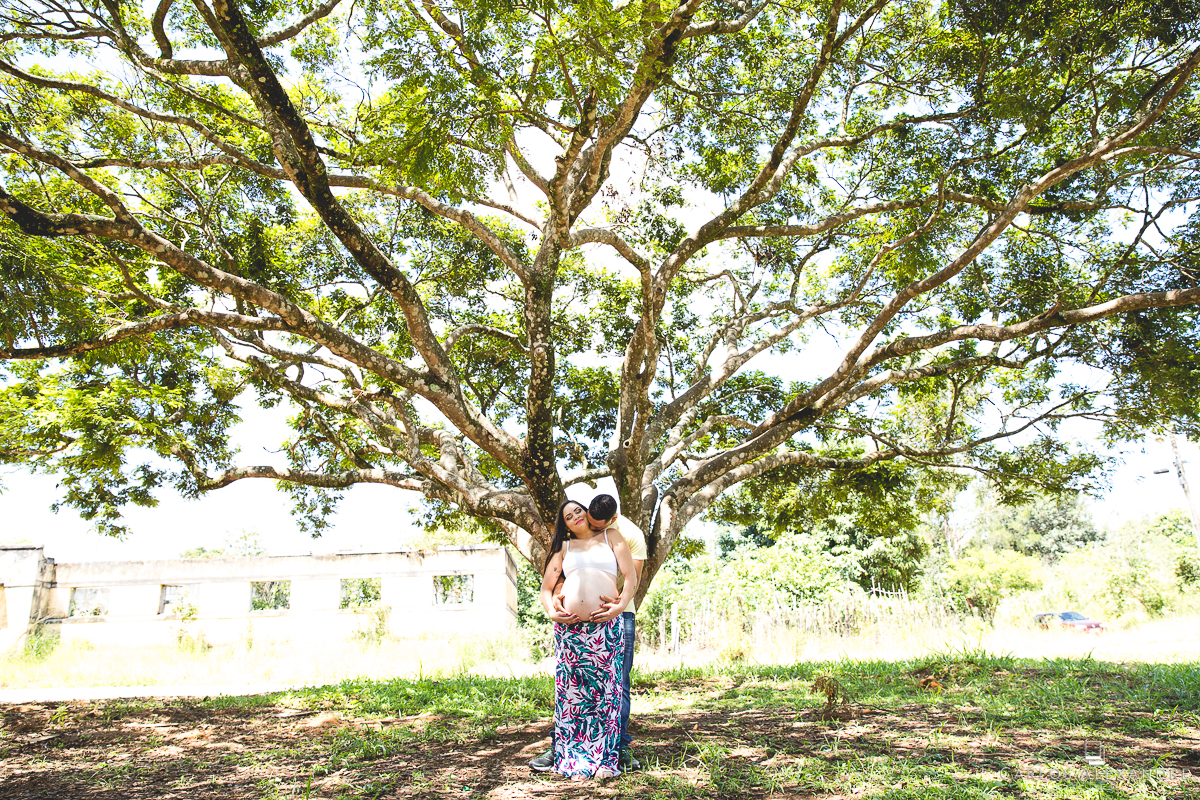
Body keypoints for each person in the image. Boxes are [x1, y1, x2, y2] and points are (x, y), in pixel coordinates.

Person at [530, 494, 648, 773]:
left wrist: (619, 607)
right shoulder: (564, 546)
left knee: (609, 690)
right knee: (572, 691)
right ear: (565, 525)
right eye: (568, 516)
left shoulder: (612, 536)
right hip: (571, 631)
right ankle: (566, 751)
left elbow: (631, 576)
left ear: (587, 511)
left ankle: (611, 753)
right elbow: (546, 588)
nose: (575, 517)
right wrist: (551, 611)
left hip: (606, 626)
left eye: (577, 511)